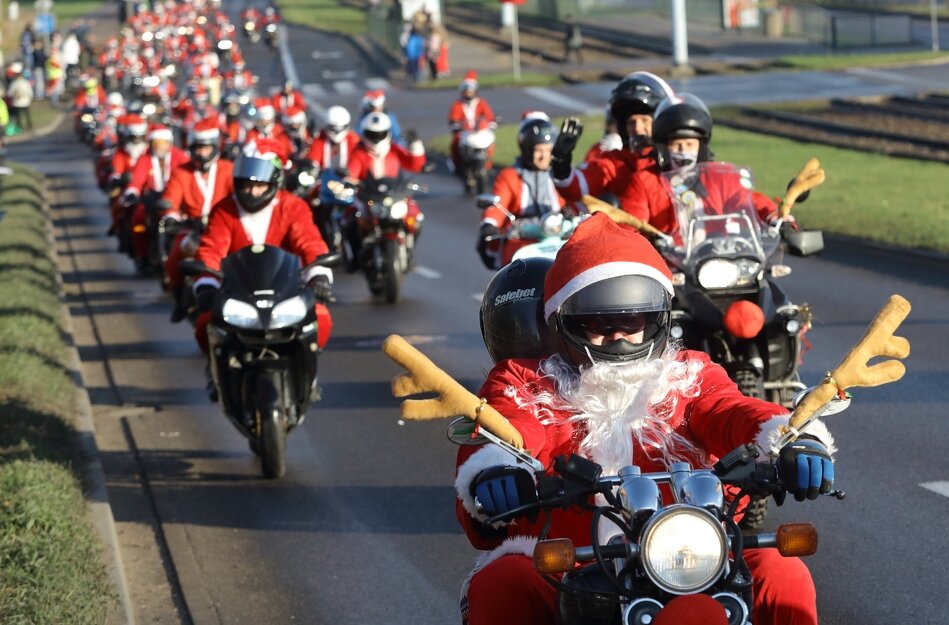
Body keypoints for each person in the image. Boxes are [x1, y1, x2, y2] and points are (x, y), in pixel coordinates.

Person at [455, 212, 836, 625]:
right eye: (599, 322)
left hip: (690, 557)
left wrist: (790, 439)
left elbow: (732, 410)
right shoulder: (527, 381)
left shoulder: (689, 374)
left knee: (782, 569)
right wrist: (498, 470)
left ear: (656, 320)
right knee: (503, 579)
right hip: (574, 567)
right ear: (564, 324)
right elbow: (512, 428)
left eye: (632, 319)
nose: (619, 335)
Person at [192, 138, 334, 356]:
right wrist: (206, 284)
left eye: (259, 185)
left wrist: (319, 275)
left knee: (320, 318)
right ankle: (221, 383)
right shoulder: (224, 210)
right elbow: (211, 249)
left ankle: (308, 379)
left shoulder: (293, 207)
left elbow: (309, 242)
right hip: (238, 293)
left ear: (274, 181)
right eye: (247, 184)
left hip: (287, 290)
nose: (252, 192)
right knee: (205, 324)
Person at [623, 93, 786, 236]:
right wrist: (646, 239)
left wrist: (777, 219)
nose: (683, 150)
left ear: (701, 148)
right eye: (676, 144)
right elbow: (632, 225)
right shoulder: (644, 182)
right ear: (664, 148)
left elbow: (747, 200)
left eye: (689, 144)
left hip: (720, 255)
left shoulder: (720, 177)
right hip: (669, 264)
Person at [552, 71, 676, 204]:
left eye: (644, 121)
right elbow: (577, 187)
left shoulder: (678, 157)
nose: (637, 128)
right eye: (631, 122)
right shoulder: (615, 164)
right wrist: (561, 162)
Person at [160, 117, 235, 321]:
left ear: (215, 147)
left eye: (205, 148)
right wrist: (171, 216)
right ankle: (179, 300)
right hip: (192, 228)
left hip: (224, 227)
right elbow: (171, 198)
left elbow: (236, 197)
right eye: (197, 148)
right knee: (175, 256)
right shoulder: (181, 172)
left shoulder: (228, 169)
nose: (201, 153)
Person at [476, 113, 568, 270]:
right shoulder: (510, 176)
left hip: (558, 240)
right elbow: (497, 204)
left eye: (549, 150)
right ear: (526, 150)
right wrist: (489, 224)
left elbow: (578, 198)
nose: (544, 156)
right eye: (539, 150)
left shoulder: (562, 176)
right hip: (522, 242)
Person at [123, 124, 190, 270]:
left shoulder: (180, 157)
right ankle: (141, 255)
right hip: (152, 200)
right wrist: (132, 192)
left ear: (169, 144)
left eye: (163, 143)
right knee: (138, 219)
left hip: (174, 201)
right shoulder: (145, 158)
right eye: (156, 143)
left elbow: (187, 178)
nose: (159, 146)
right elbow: (137, 179)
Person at [448, 70, 496, 173]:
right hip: (465, 131)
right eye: (467, 91)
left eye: (471, 91)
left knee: (490, 142)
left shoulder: (481, 103)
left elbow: (489, 116)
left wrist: (491, 123)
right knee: (456, 141)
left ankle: (487, 165)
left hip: (479, 131)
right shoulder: (458, 104)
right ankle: (457, 163)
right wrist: (455, 125)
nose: (469, 93)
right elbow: (454, 117)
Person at [307, 104, 360, 173]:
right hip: (323, 179)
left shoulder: (354, 141)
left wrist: (351, 174)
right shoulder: (319, 139)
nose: (336, 132)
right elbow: (313, 160)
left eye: (339, 128)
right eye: (332, 128)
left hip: (347, 180)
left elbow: (358, 162)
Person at [7, 68, 34, 132]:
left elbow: (10, 93)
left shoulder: (14, 83)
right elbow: (30, 92)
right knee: (27, 114)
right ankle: (29, 125)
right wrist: (30, 98)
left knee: (19, 115)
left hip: (17, 102)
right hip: (25, 101)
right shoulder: (25, 82)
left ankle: (20, 126)